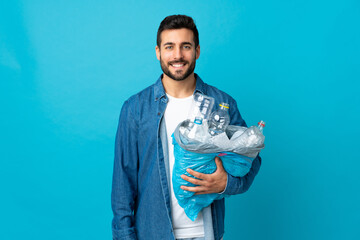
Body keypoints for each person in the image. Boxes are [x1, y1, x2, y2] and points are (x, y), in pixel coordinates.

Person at [111, 15, 261, 240]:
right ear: (158, 52)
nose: (178, 55)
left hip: (206, 233)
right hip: (153, 234)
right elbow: (123, 185)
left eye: (186, 46)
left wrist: (225, 184)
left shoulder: (223, 103)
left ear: (197, 51)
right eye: (169, 47)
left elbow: (252, 161)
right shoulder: (135, 109)